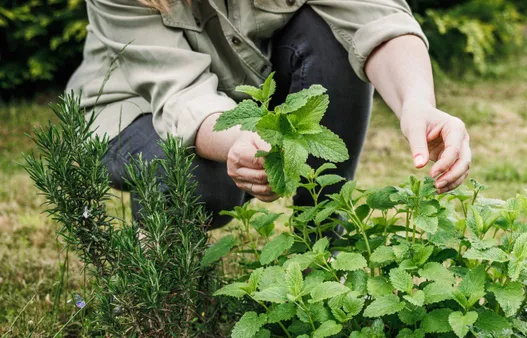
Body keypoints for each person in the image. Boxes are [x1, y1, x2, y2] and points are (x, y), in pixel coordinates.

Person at [67, 0, 472, 228]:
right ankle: (162, 278)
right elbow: (180, 97)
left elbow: (376, 16)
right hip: (131, 107)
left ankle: (324, 239)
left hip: (242, 89)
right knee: (204, 181)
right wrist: (240, 143)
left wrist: (417, 101)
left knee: (332, 36)